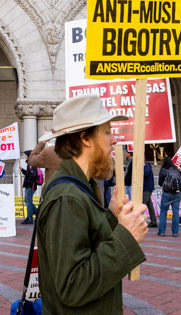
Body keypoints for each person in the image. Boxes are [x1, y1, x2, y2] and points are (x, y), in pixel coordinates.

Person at [37, 94, 148, 313]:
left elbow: (85, 240)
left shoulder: (80, 187)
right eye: (106, 132)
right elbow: (73, 286)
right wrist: (127, 237)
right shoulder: (67, 197)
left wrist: (111, 216)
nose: (113, 140)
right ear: (86, 138)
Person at [125, 152, 158, 227]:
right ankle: (153, 221)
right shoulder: (144, 165)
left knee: (142, 205)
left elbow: (145, 173)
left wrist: (139, 168)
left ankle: (141, 222)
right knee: (150, 205)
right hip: (145, 188)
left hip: (147, 188)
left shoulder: (147, 165)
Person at [156, 157, 181, 237]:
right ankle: (175, 232)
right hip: (177, 194)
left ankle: (162, 231)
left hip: (167, 194)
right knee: (176, 213)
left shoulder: (163, 171)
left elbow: (160, 183)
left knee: (163, 212)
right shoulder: (176, 170)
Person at [20, 150, 42, 224]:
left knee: (28, 202)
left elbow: (33, 174)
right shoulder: (29, 164)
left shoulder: (32, 164)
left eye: (26, 155)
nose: (25, 157)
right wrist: (22, 170)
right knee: (27, 201)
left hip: (30, 186)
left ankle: (30, 219)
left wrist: (28, 182)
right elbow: (28, 173)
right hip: (29, 185)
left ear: (29, 156)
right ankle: (38, 214)